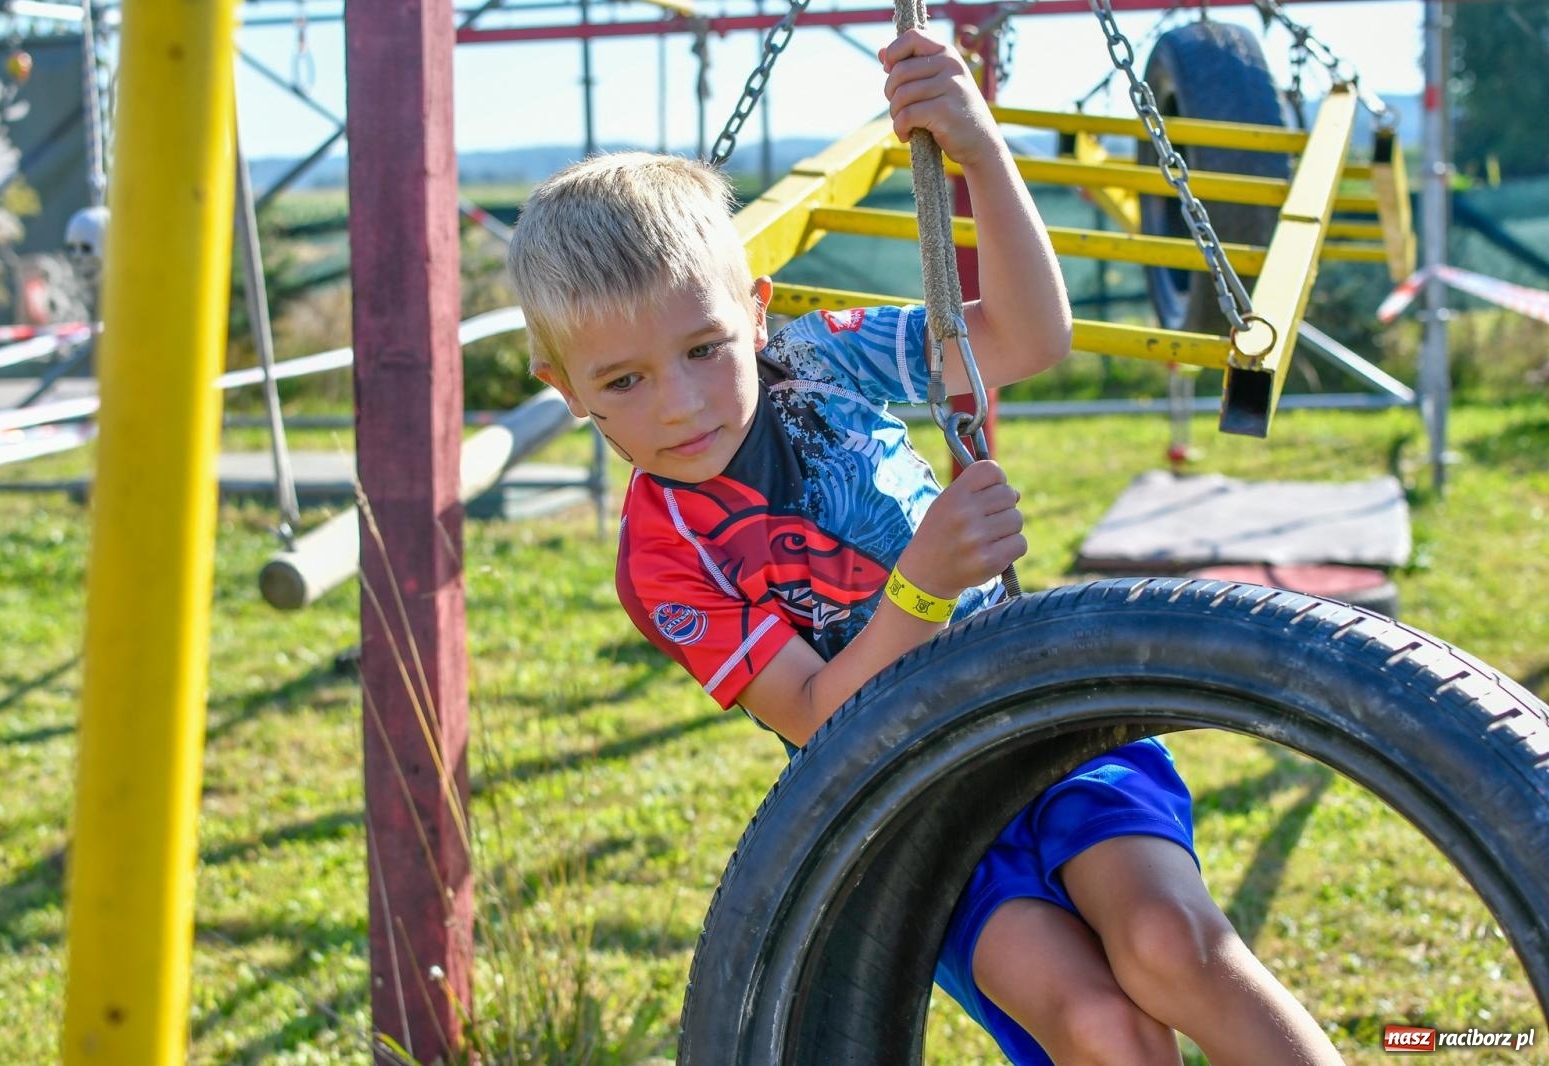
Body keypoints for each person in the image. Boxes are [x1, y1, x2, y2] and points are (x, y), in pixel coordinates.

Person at [507, 26, 1341, 1066]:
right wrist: (921, 584)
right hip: (915, 802)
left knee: (1170, 943)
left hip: (1043, 716)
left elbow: (1024, 339)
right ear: (564, 387)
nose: (680, 406)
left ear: (754, 313)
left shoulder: (819, 360)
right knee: (1094, 1023)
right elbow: (818, 717)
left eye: (703, 349)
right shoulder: (664, 555)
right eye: (623, 381)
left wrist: (977, 151)